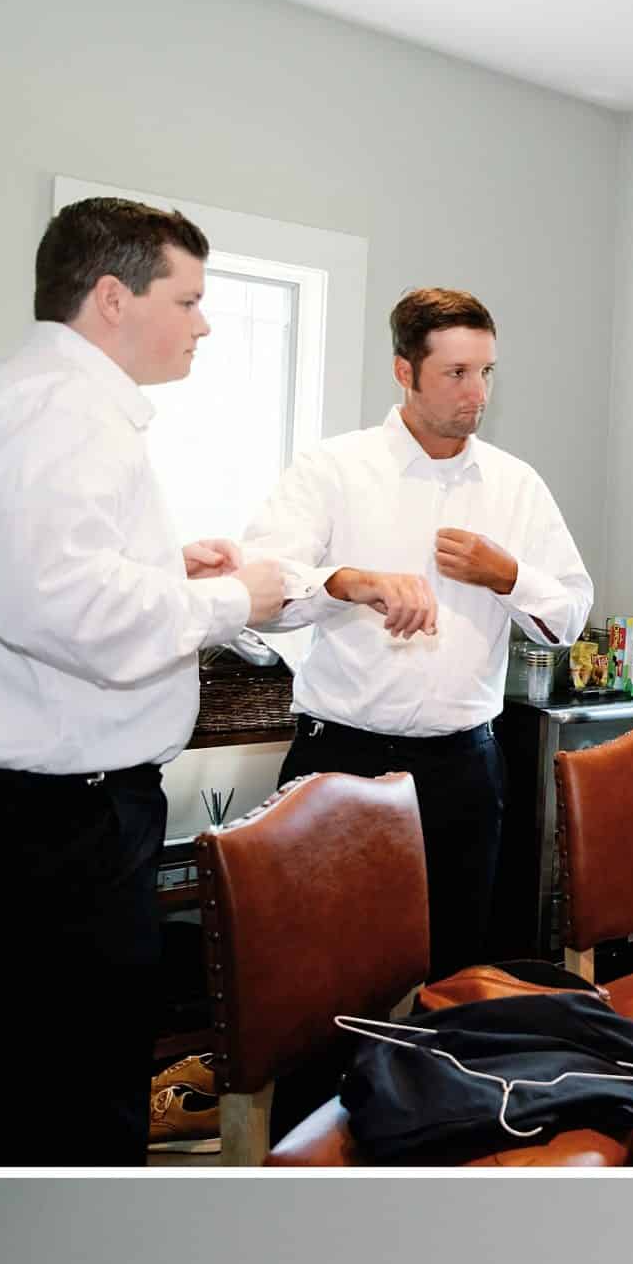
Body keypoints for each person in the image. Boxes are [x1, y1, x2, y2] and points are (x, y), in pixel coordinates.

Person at [0, 195, 287, 1166]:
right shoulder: (64, 413)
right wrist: (234, 600)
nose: (205, 323)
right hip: (47, 834)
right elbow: (58, 611)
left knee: (4, 1091)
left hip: (16, 823)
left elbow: (37, 576)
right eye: (190, 297)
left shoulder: (29, 399)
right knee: (71, 1101)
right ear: (115, 297)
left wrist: (165, 569)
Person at [243, 288, 593, 976]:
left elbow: (568, 622)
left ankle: (432, 1083)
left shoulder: (517, 487)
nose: (478, 393)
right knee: (323, 975)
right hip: (341, 760)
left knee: (453, 977)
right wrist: (348, 582)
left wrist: (508, 575)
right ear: (405, 372)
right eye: (456, 374)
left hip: (465, 768)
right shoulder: (333, 469)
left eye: (487, 371)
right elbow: (261, 592)